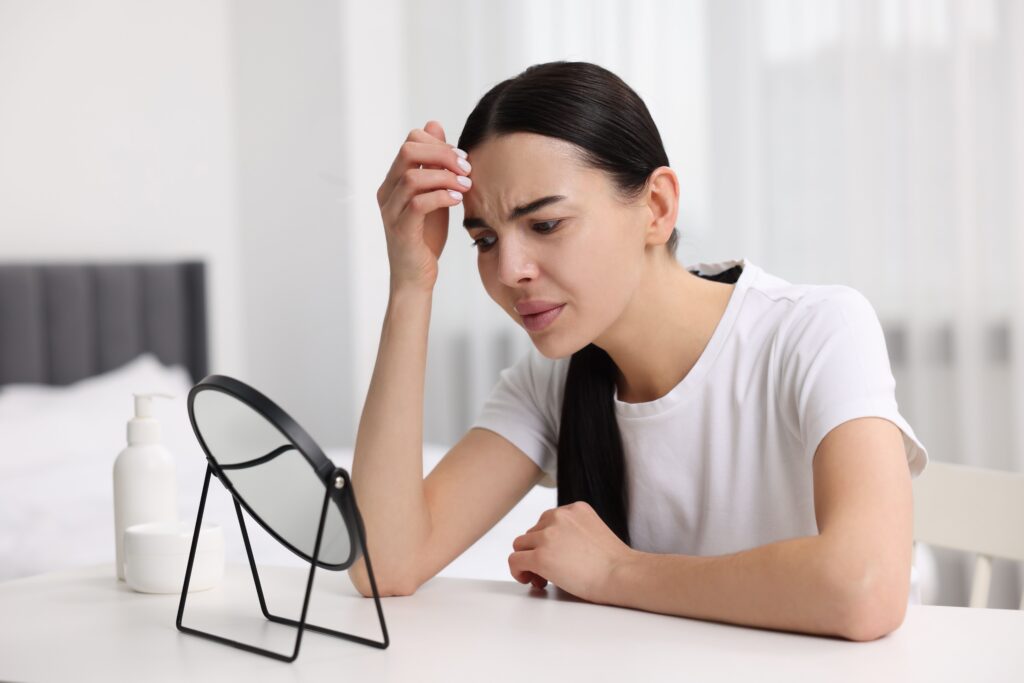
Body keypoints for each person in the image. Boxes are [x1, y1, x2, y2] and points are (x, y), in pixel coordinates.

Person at [347, 60, 928, 642]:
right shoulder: (555, 379)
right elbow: (385, 563)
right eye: (485, 240)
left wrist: (616, 571)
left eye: (545, 224)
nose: (510, 270)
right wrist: (411, 283)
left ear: (656, 207)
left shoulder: (814, 332)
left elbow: (865, 588)